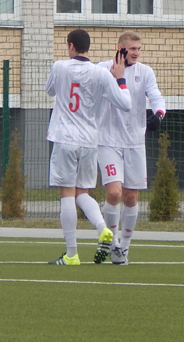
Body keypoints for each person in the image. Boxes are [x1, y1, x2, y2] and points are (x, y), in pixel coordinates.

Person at [45, 29, 131, 266]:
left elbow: (50, 90)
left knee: (67, 193)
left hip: (65, 137)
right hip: (90, 140)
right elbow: (125, 103)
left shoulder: (59, 67)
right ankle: (103, 228)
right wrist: (120, 79)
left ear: (71, 46)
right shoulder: (100, 73)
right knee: (83, 193)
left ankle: (71, 254)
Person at [97, 31, 166, 266]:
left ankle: (124, 247)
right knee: (114, 193)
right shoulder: (103, 69)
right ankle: (113, 243)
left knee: (130, 196)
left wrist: (159, 114)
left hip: (135, 141)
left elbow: (155, 96)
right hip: (108, 140)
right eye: (132, 49)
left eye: (139, 49)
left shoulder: (145, 72)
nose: (136, 53)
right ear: (120, 48)